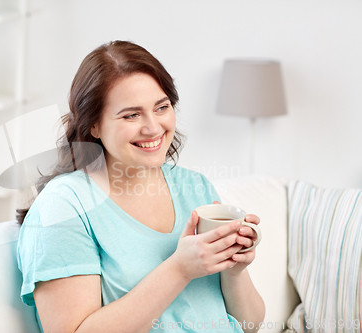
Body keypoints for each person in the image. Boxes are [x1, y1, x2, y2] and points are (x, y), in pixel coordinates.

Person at [16, 40, 265, 333]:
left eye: (162, 107)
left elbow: (250, 324)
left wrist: (234, 270)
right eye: (131, 115)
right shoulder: (64, 207)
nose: (153, 127)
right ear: (93, 125)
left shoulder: (195, 186)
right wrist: (180, 269)